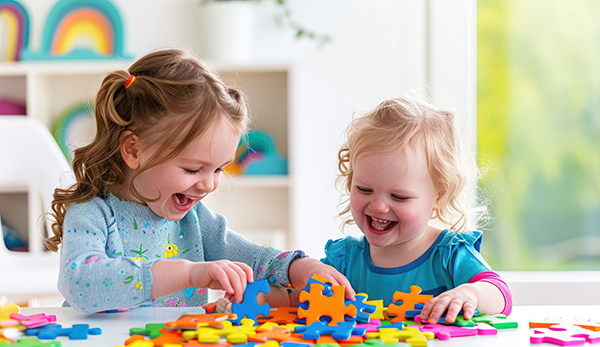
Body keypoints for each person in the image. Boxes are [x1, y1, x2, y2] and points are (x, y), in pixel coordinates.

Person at [46, 48, 353, 313]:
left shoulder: (193, 220)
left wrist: (299, 267)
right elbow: (80, 284)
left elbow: (252, 257)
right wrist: (188, 274)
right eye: (193, 169)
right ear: (133, 150)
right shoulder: (93, 213)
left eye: (219, 169)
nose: (208, 185)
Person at [322, 93, 512, 324]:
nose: (379, 206)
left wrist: (470, 293)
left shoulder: (449, 254)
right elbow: (295, 297)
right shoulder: (344, 261)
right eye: (364, 189)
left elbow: (499, 292)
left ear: (437, 197)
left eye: (399, 196)